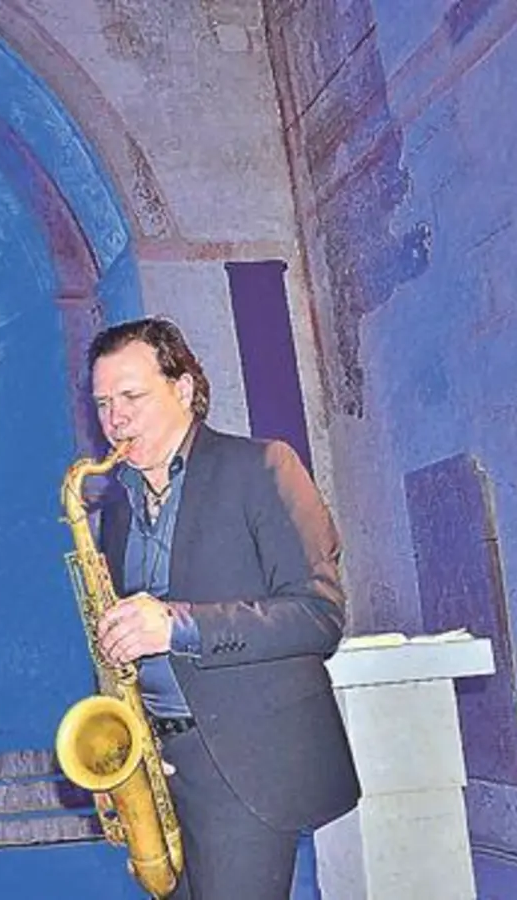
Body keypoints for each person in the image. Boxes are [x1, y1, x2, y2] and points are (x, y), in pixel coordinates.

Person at [86, 317, 361, 899]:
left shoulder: (264, 467)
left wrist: (176, 625)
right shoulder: (115, 511)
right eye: (104, 402)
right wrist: (123, 752)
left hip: (244, 762)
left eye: (132, 396)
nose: (116, 418)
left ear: (183, 388)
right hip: (157, 762)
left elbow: (319, 615)